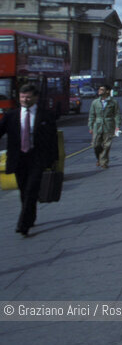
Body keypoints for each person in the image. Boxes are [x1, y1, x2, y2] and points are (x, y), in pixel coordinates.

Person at [0, 84, 59, 236]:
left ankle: (23, 225)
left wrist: (54, 160)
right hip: (18, 158)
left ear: (35, 97)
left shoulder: (45, 115)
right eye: (22, 97)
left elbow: (53, 139)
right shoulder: (11, 115)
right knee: (23, 190)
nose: (24, 100)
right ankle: (30, 217)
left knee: (32, 189)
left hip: (37, 158)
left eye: (28, 97)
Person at [88, 85, 121, 169]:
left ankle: (104, 162)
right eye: (99, 89)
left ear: (107, 91)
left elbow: (117, 114)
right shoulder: (95, 102)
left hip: (108, 125)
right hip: (97, 126)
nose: (99, 91)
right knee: (95, 145)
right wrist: (90, 126)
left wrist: (117, 126)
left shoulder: (113, 102)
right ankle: (99, 158)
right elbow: (91, 115)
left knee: (107, 145)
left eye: (102, 89)